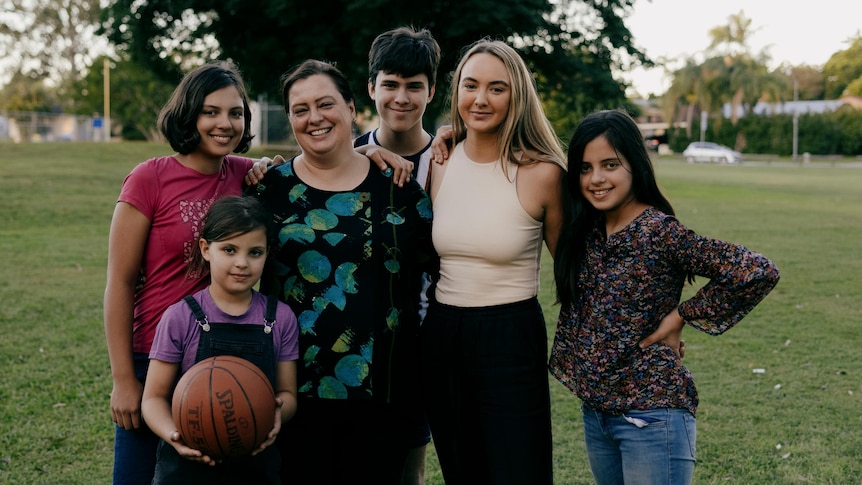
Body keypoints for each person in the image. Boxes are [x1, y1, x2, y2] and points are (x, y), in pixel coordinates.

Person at [549, 109, 780, 484]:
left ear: (635, 165)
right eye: (585, 168)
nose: (596, 179)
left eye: (610, 164)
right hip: (597, 415)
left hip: (652, 416)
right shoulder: (586, 231)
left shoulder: (659, 232)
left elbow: (756, 270)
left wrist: (680, 316)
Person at [252, 59, 435, 484]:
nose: (314, 118)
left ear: (353, 108)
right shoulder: (268, 190)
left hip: (386, 396)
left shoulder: (398, 187)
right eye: (300, 109)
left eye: (325, 104)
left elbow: (437, 271)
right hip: (291, 393)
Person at [104, 60, 259, 485]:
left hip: (221, 358)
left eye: (235, 112)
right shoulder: (149, 178)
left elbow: (313, 167)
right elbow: (119, 282)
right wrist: (123, 379)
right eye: (211, 111)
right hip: (150, 356)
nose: (224, 123)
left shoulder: (248, 176)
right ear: (189, 112)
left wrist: (371, 148)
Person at [420, 38, 566, 484]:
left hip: (511, 335)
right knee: (462, 471)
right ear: (457, 93)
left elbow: (576, 271)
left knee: (518, 470)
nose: (480, 99)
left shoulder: (544, 173)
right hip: (443, 334)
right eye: (471, 86)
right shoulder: (437, 162)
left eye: (497, 88)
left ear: (516, 96)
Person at [141, 195, 299, 484]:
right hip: (187, 465)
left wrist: (276, 415)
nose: (242, 263)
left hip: (255, 464)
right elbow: (152, 398)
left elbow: (287, 394)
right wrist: (175, 436)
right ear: (206, 249)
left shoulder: (280, 318)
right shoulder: (181, 317)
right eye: (229, 249)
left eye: (255, 252)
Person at [353, 26, 441, 484]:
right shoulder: (343, 156)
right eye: (390, 84)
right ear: (372, 87)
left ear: (431, 91)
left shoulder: (451, 160)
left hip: (422, 342)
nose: (401, 97)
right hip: (349, 342)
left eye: (414, 86)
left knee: (409, 467)